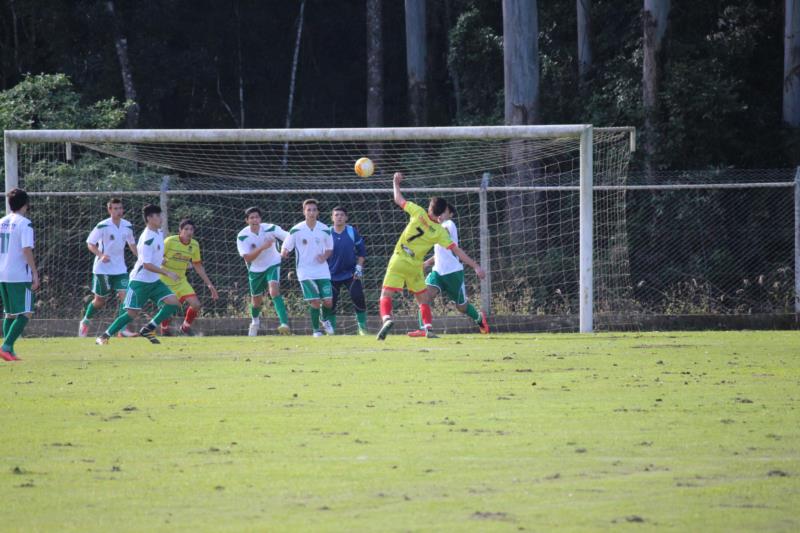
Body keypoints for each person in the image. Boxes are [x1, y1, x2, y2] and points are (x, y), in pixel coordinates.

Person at [376, 172, 485, 340]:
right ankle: (427, 328)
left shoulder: (418, 212)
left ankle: (387, 319)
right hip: (416, 265)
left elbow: (398, 199)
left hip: (400, 258)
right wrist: (475, 265)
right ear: (441, 214)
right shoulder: (439, 232)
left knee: (386, 294)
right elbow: (457, 250)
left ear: (429, 209)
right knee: (423, 299)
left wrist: (396, 183)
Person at [95, 204, 180, 345]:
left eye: (161, 215)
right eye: (158, 216)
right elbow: (146, 264)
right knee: (130, 313)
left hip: (154, 281)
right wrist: (167, 272)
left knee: (173, 303)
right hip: (140, 282)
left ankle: (148, 328)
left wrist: (161, 260)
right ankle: (103, 337)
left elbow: (153, 257)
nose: (161, 219)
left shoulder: (158, 233)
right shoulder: (147, 238)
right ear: (149, 218)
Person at [408, 202, 489, 337]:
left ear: (450, 214)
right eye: (440, 212)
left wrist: (475, 266)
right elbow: (439, 253)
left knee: (461, 307)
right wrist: (425, 264)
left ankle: (479, 318)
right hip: (437, 272)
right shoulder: (437, 229)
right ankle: (424, 328)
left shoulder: (449, 225)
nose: (441, 214)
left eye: (444, 212)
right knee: (423, 297)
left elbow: (448, 242)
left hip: (453, 273)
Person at [78, 198, 138, 338]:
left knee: (125, 297)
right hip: (102, 269)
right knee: (100, 301)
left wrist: (140, 258)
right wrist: (100, 254)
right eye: (115, 208)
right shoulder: (102, 226)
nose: (118, 211)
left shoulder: (127, 226)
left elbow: (132, 244)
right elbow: (90, 243)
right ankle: (85, 320)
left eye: (120, 208)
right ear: (109, 210)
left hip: (120, 269)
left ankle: (122, 329)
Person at [281, 199, 335, 337]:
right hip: (305, 272)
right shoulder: (296, 229)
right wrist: (284, 252)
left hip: (322, 271)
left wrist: (324, 257)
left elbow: (329, 248)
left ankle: (324, 319)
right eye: (308, 210)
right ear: (304, 212)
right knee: (315, 302)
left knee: (328, 302)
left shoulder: (325, 229)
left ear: (318, 212)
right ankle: (316, 330)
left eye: (314, 210)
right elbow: (286, 246)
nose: (311, 212)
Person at [159, 218, 219, 336]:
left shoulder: (194, 245)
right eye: (186, 229)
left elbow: (197, 265)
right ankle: (164, 329)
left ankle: (185, 327)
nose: (189, 232)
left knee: (196, 305)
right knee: (169, 309)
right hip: (165, 281)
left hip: (181, 281)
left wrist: (209, 284)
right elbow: (155, 258)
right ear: (180, 230)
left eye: (191, 229)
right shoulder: (169, 241)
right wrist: (162, 261)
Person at [236, 207, 290, 336]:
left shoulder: (270, 228)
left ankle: (284, 324)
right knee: (256, 301)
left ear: (260, 219)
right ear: (247, 220)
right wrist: (262, 247)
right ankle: (255, 322)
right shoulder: (242, 236)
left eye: (257, 217)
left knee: (274, 291)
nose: (255, 220)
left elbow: (289, 236)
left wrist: (285, 249)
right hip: (255, 268)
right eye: (251, 218)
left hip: (273, 263)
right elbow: (247, 257)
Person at [0, 188, 39, 361]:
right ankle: (6, 346)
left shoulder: (1, 221)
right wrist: (34, 273)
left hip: (2, 273)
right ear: (26, 204)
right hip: (18, 273)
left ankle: (9, 350)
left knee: (10, 313)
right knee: (27, 312)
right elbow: (26, 249)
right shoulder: (25, 223)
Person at [326, 206, 368, 335]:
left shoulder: (351, 231)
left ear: (346, 218)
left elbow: (362, 253)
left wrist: (359, 268)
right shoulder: (326, 233)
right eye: (336, 215)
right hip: (330, 274)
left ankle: (362, 329)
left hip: (350, 274)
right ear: (332, 218)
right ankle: (330, 330)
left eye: (342, 215)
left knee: (358, 298)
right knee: (329, 303)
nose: (339, 217)